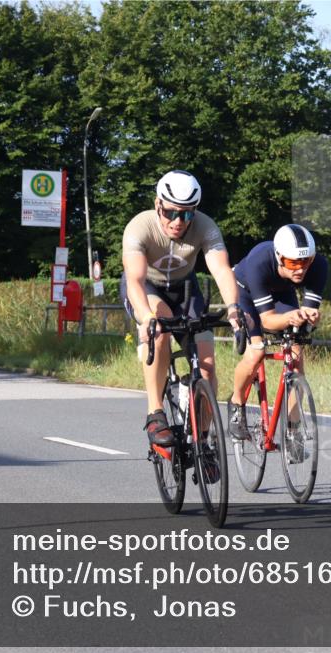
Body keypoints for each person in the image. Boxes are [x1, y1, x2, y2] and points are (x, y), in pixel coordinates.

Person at [120, 170, 242, 450]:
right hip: (147, 289)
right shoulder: (140, 227)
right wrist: (148, 317)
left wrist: (234, 309)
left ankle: (203, 442)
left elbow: (221, 270)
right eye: (171, 212)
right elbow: (135, 281)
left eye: (186, 215)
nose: (178, 221)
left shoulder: (205, 226)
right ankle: (155, 413)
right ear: (157, 205)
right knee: (159, 328)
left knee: (208, 369)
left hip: (185, 289)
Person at [227, 224, 328, 458]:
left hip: (282, 292)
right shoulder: (259, 262)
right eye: (293, 263)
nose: (301, 270)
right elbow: (269, 322)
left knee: (296, 353)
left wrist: (310, 317)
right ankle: (236, 404)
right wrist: (288, 317)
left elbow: (306, 319)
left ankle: (293, 431)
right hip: (246, 292)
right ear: (279, 257)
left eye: (306, 262)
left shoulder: (319, 266)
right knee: (256, 352)